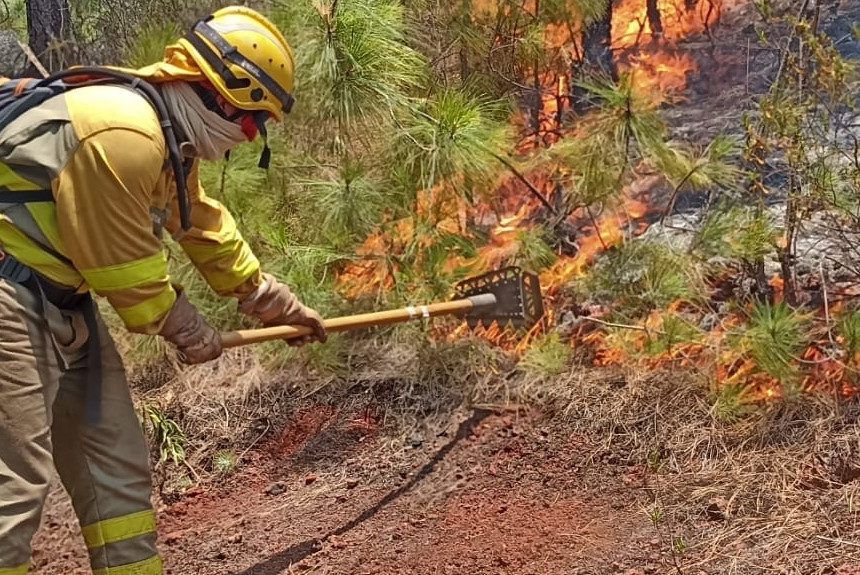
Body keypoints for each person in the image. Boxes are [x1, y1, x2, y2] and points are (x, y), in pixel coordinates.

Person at [0, 6, 326, 574]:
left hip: (61, 302)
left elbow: (198, 221)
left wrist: (270, 298)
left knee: (115, 468)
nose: (249, 139)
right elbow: (124, 269)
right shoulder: (123, 131)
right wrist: (184, 326)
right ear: (222, 96)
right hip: (12, 296)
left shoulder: (163, 132)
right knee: (13, 488)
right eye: (253, 124)